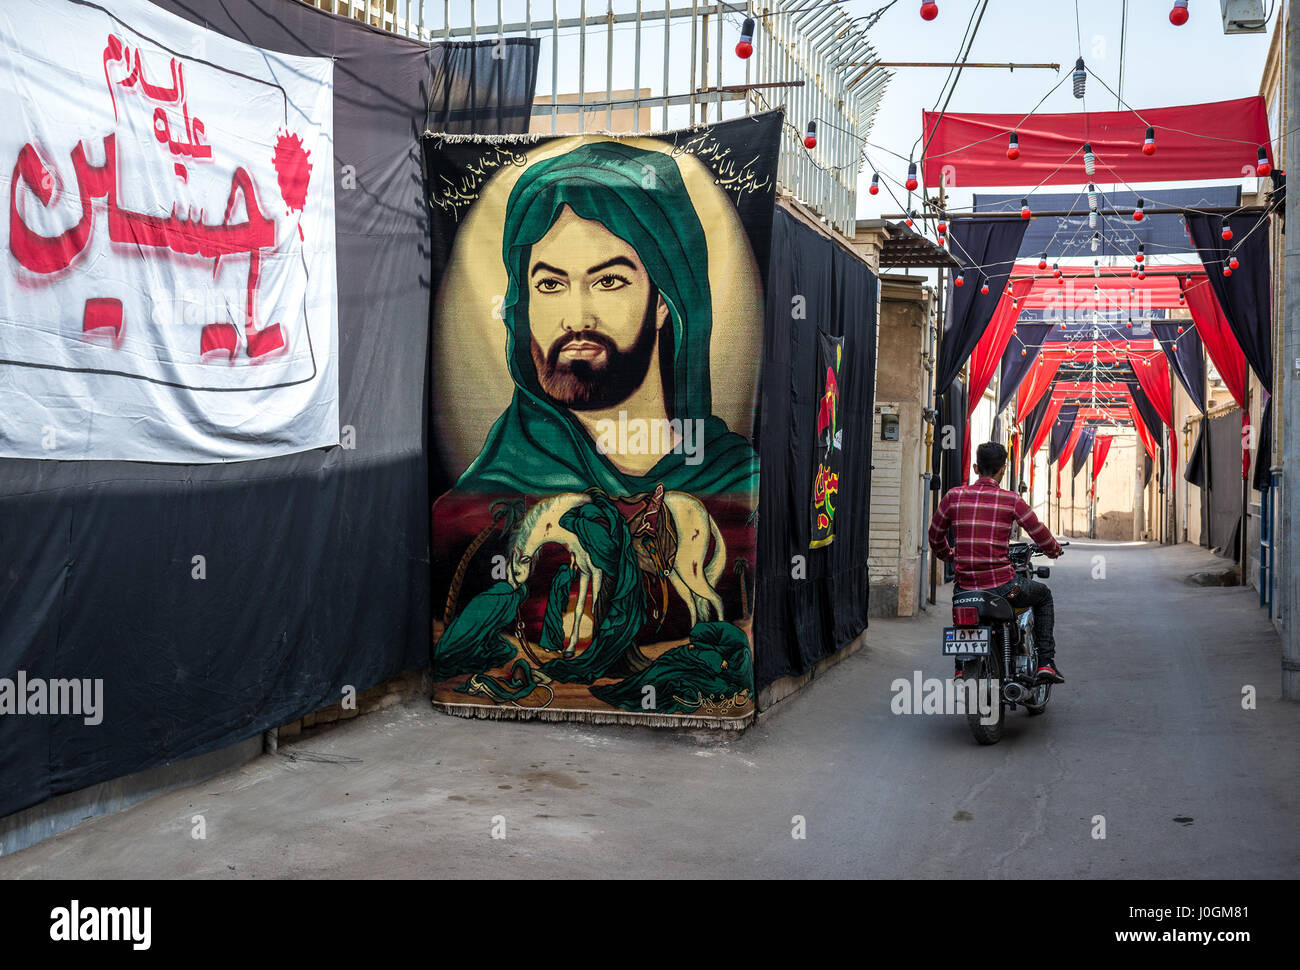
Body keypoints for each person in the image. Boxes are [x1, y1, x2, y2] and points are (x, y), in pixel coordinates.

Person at [453, 141, 758, 496]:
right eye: (550, 284)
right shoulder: (483, 501)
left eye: (608, 281)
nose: (577, 319)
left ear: (664, 300)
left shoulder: (731, 485)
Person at [928, 441, 1065, 684]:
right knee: (1043, 596)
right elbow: (1038, 531)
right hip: (1003, 587)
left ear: (975, 467)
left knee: (964, 613)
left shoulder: (953, 497)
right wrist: (1053, 550)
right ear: (1003, 469)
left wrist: (951, 555)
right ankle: (1045, 662)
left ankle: (961, 666)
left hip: (965, 587)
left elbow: (935, 536)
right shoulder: (1011, 500)